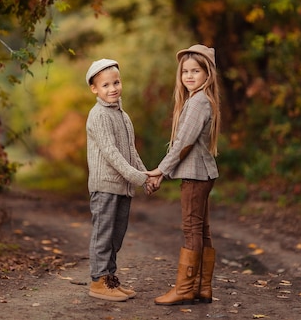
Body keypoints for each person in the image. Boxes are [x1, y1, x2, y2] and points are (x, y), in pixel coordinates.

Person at [145, 44, 221, 306]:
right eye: (185, 71)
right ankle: (203, 287)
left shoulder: (199, 101)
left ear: (207, 74)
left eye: (196, 71)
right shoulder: (200, 99)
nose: (189, 76)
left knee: (191, 230)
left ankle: (185, 288)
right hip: (204, 173)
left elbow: (184, 143)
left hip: (196, 174)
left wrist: (160, 170)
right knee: (202, 230)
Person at [85, 58, 156, 302]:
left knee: (116, 235)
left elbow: (129, 150)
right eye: (105, 85)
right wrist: (137, 177)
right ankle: (98, 281)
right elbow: (111, 154)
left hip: (122, 187)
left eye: (116, 82)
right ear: (94, 89)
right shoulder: (99, 115)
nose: (112, 88)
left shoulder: (123, 116)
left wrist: (145, 175)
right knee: (103, 234)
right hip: (105, 186)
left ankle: (110, 279)